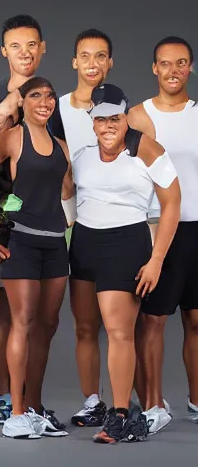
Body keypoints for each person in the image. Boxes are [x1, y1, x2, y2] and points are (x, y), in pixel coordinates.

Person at [68, 85, 179, 444]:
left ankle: (119, 414)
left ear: (125, 116)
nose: (108, 125)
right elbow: (63, 192)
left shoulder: (146, 148)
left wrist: (156, 260)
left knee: (119, 333)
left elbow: (172, 202)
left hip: (125, 244)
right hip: (84, 242)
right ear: (92, 121)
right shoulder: (82, 154)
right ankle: (93, 403)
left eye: (114, 117)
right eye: (100, 119)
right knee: (85, 329)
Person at [0, 77, 72, 439]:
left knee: (47, 326)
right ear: (22, 102)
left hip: (56, 243)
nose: (45, 101)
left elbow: (67, 193)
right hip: (20, 243)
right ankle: (16, 411)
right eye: (36, 95)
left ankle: (36, 408)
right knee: (22, 322)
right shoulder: (14, 138)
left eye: (50, 96)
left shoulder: (61, 147)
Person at [0, 14, 46, 424]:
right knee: (9, 314)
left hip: (46, 218)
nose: (25, 53)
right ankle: (5, 397)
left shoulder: (48, 96)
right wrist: (8, 104)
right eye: (16, 46)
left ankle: (30, 400)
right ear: (4, 51)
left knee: (36, 318)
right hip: (5, 214)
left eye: (32, 44)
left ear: (43, 48)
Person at [127, 36, 197, 433]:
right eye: (165, 63)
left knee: (196, 320)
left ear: (190, 68)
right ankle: (152, 402)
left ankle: (196, 400)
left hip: (197, 229)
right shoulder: (137, 116)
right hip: (157, 230)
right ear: (154, 68)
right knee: (152, 321)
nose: (173, 70)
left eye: (181, 63)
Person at [53, 29, 116, 427]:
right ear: (74, 62)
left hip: (120, 226)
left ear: (110, 62)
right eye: (85, 56)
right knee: (86, 322)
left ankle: (139, 403)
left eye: (101, 56)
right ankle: (93, 401)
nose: (93, 63)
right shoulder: (55, 108)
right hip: (73, 225)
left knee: (126, 323)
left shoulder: (126, 108)